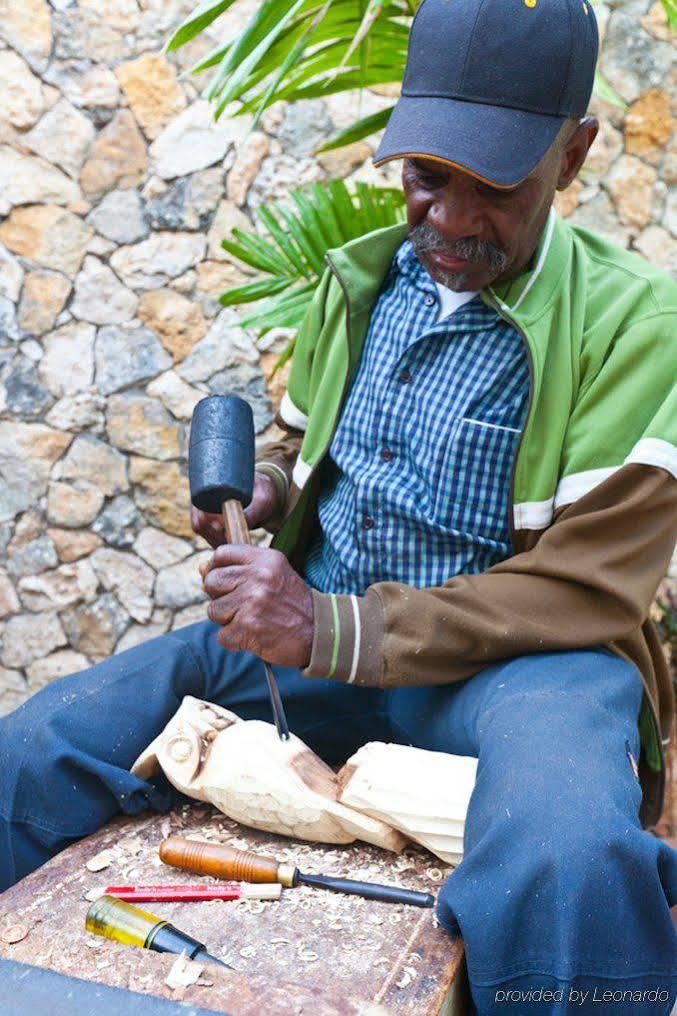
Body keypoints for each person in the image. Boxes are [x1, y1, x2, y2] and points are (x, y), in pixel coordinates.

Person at [1, 0, 676, 1011]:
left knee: (564, 851)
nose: (447, 218)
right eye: (423, 178)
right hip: (319, 641)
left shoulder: (637, 324)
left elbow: (585, 588)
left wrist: (330, 624)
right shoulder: (359, 282)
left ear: (570, 157)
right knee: (39, 741)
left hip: (513, 668)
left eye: (492, 186)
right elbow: (314, 449)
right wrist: (268, 491)